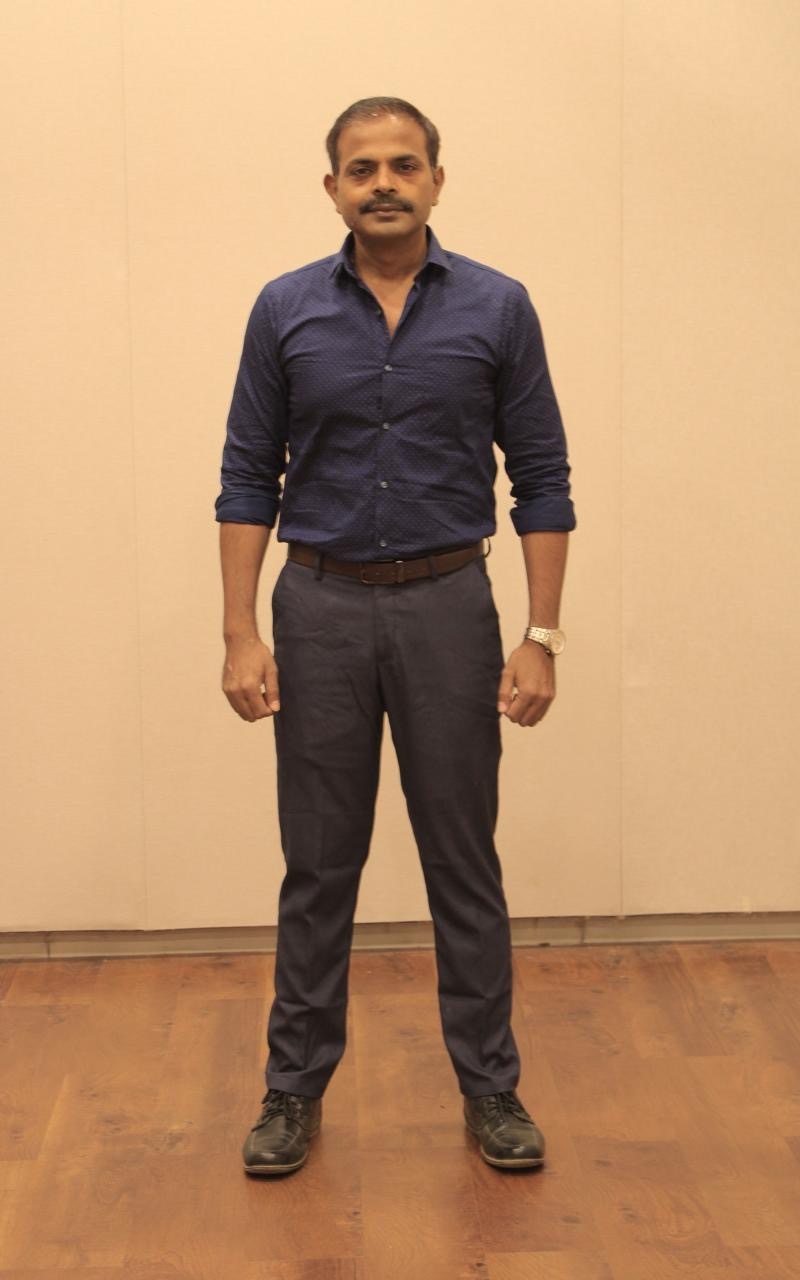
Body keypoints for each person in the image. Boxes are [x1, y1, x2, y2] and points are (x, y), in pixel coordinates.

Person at [215, 97, 576, 1177]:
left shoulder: (498, 307)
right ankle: (292, 1089)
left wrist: (540, 633)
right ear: (332, 188)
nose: (384, 182)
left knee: (462, 857)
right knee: (318, 862)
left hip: (448, 607)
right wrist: (239, 632)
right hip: (318, 608)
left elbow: (542, 478)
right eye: (362, 167)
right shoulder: (284, 309)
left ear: (435, 181)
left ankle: (490, 1086)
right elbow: (247, 475)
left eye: (404, 165)